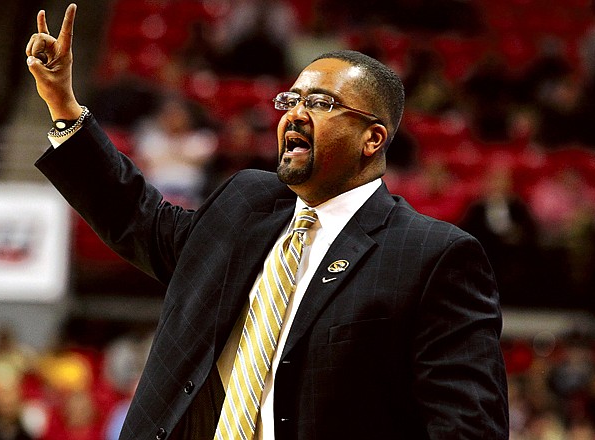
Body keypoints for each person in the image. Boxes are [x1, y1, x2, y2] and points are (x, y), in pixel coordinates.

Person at [25, 4, 508, 439]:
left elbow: (467, 429)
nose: (295, 114)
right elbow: (142, 221)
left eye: (320, 103)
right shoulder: (247, 203)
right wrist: (65, 108)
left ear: (373, 138)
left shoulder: (432, 256)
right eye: (291, 100)